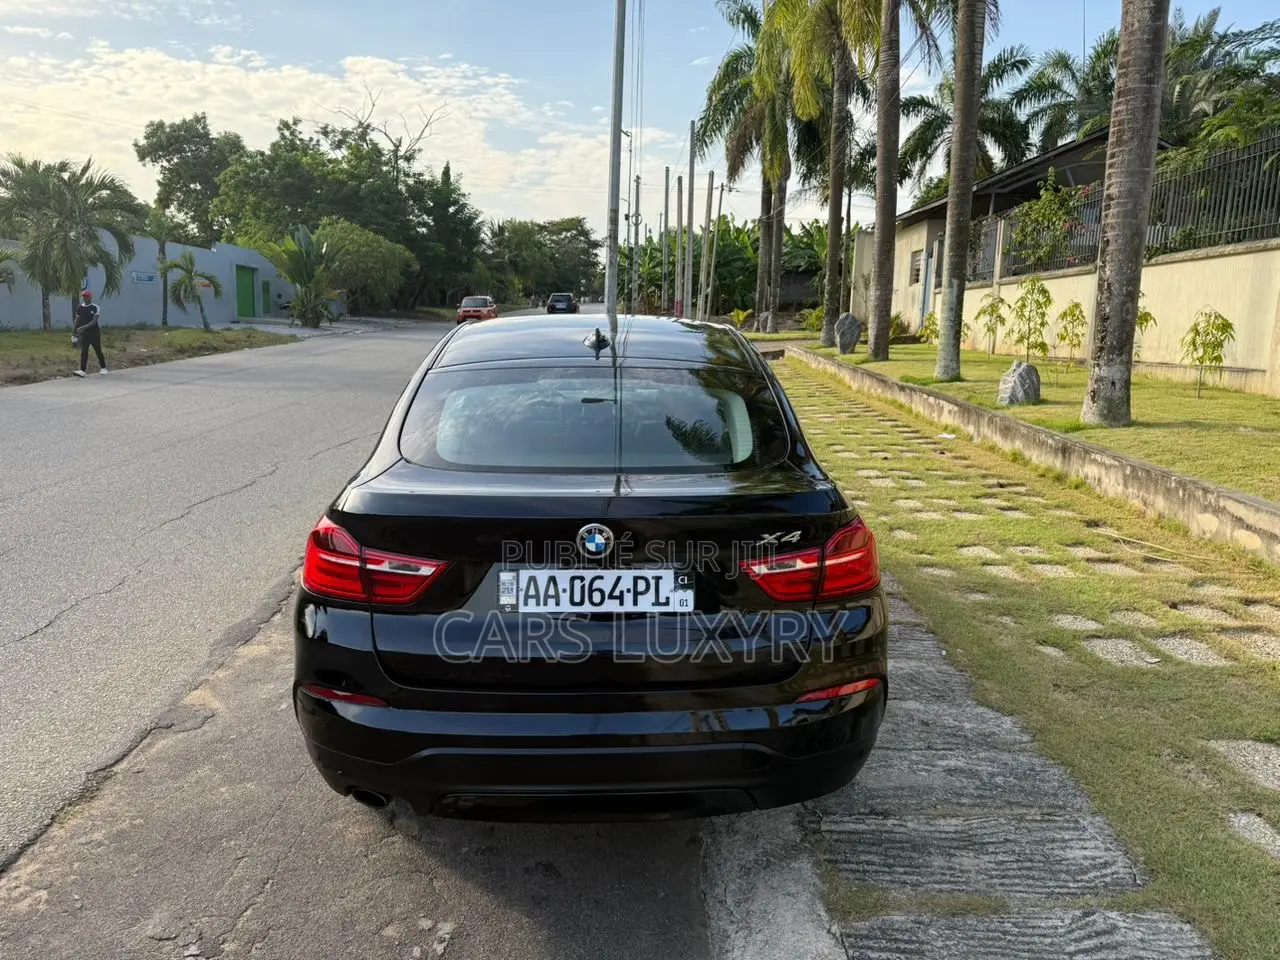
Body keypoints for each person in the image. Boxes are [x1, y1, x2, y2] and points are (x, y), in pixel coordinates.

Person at [73, 290, 107, 377]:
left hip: (94, 333)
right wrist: (74, 333)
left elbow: (94, 321)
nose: (85, 298)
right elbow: (77, 321)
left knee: (98, 350)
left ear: (90, 297)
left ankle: (103, 368)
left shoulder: (95, 307)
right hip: (84, 334)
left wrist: (83, 327)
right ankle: (82, 370)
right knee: (84, 351)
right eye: (84, 296)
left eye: (87, 296)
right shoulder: (79, 308)